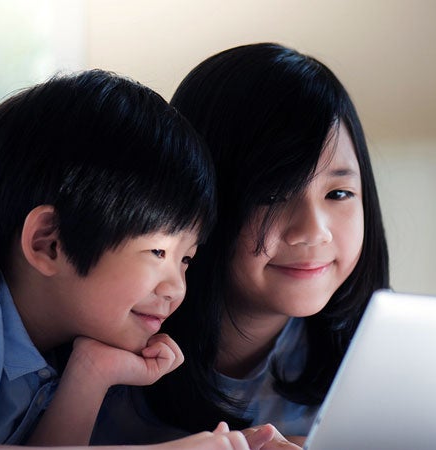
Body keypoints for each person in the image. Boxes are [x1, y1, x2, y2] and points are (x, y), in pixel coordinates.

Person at [0, 69, 282, 450]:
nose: (176, 288)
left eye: (186, 260)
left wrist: (92, 373)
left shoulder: (62, 330)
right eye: (158, 251)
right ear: (49, 242)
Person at [92, 43, 390, 446]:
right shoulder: (110, 341)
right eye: (271, 195)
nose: (313, 231)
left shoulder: (378, 355)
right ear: (201, 197)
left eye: (338, 194)